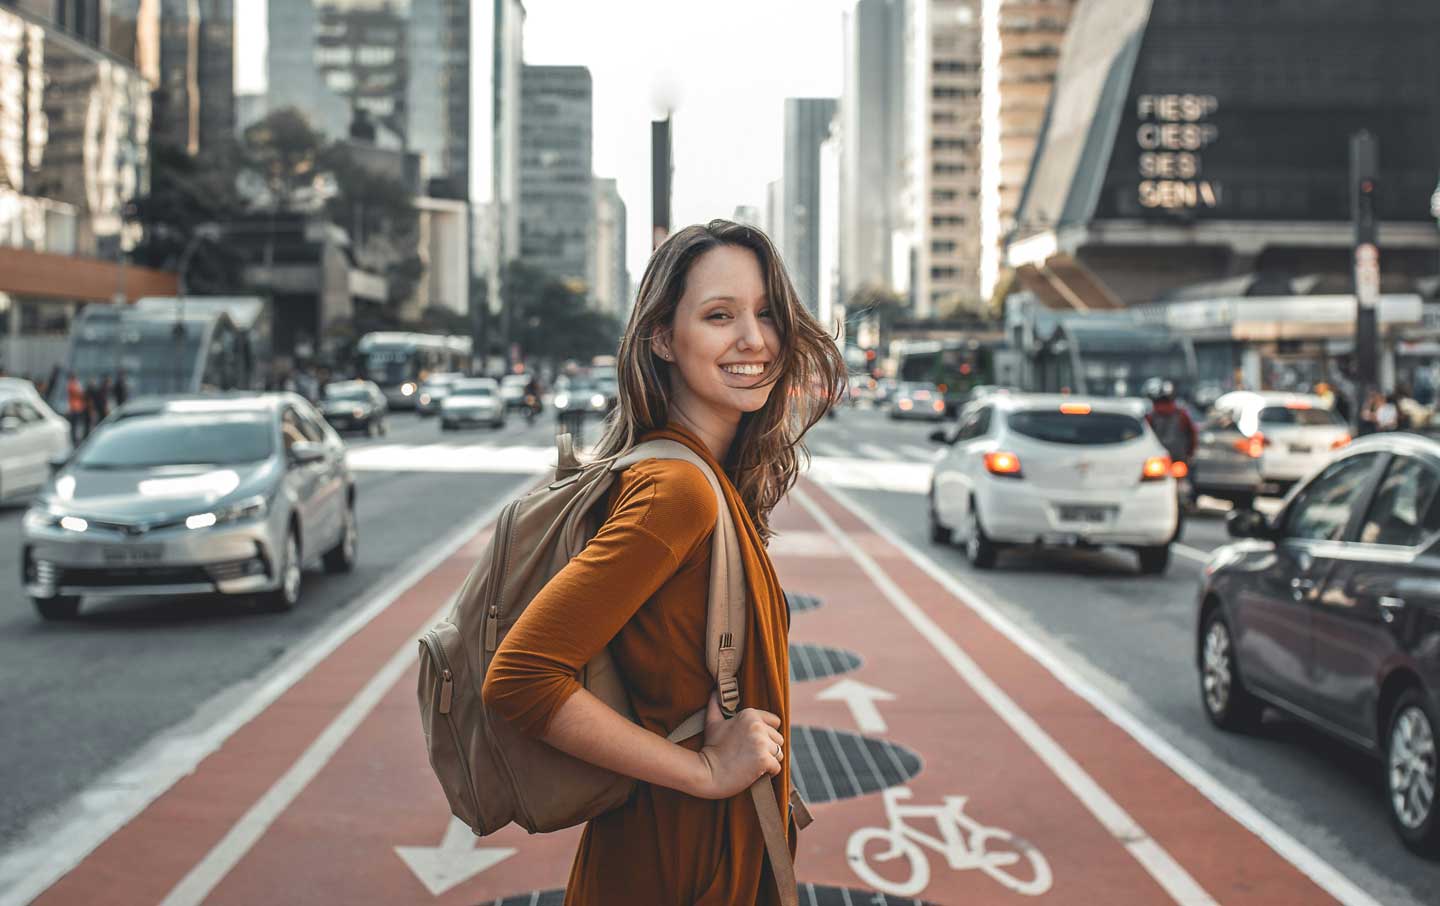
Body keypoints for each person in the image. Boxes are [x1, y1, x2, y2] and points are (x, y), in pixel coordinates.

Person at [482, 220, 845, 905]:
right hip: (677, 865)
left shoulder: (701, 475)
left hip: (697, 853)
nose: (755, 339)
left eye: (767, 312)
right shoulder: (677, 491)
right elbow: (521, 677)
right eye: (719, 315)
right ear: (660, 338)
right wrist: (706, 771)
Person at [1143, 378, 1196, 464]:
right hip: (1180, 457)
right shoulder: (1182, 414)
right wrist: (1190, 454)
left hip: (1156, 459)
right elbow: (1192, 434)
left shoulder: (1150, 417)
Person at [66, 372, 88, 444]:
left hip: (77, 407)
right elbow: (79, 393)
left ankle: (75, 438)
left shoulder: (74, 384)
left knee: (77, 424)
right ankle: (74, 439)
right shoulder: (72, 385)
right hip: (75, 408)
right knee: (75, 425)